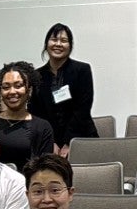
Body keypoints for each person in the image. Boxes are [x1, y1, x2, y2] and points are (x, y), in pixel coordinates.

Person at [31, 23, 98, 151]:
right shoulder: (36, 75)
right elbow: (37, 113)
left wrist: (69, 142)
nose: (58, 44)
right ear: (46, 44)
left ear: (70, 46)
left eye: (64, 40)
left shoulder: (82, 70)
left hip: (81, 137)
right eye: (54, 39)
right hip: (48, 141)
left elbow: (82, 109)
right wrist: (50, 141)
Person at [0, 61, 56, 170]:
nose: (12, 91)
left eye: (18, 86)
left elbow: (45, 169)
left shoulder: (42, 127)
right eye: (6, 87)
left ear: (29, 90)